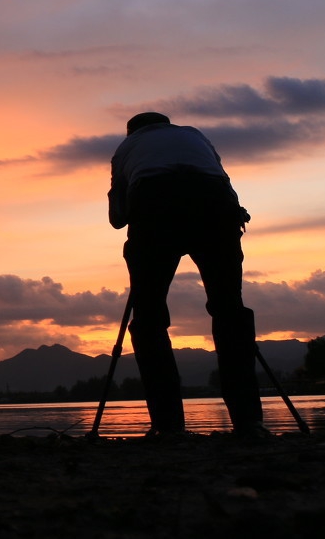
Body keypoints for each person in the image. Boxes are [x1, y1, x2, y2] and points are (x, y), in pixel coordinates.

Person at [108, 111, 264, 438]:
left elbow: (118, 217)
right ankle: (249, 423)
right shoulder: (195, 135)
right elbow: (224, 182)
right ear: (168, 125)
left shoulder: (126, 148)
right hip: (216, 205)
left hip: (154, 204)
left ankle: (168, 426)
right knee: (229, 310)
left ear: (131, 131)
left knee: (149, 319)